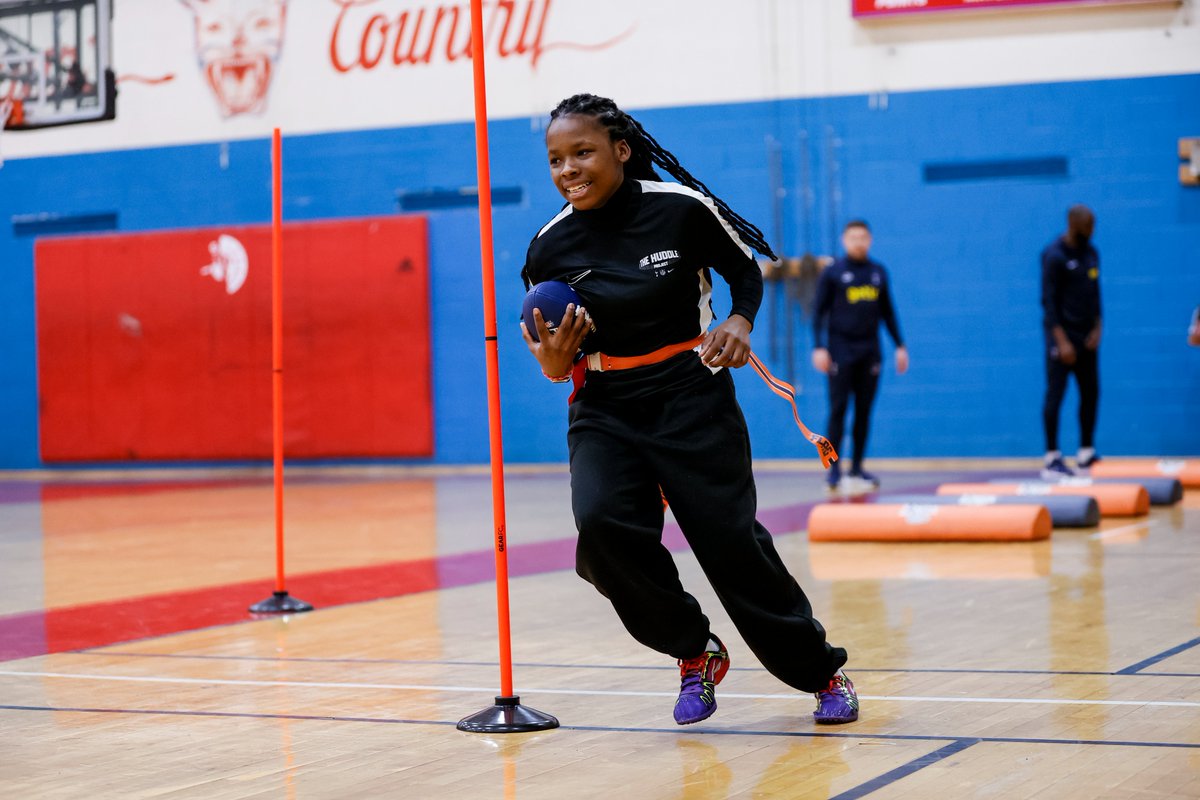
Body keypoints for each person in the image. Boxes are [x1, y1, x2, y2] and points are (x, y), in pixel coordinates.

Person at [519, 93, 858, 726]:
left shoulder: (682, 211)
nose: (569, 169)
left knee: (730, 545)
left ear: (621, 150)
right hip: (604, 406)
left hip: (689, 395)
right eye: (556, 160)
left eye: (583, 152)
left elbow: (746, 272)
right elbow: (551, 351)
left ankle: (820, 671)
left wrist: (738, 319)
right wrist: (551, 364)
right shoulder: (548, 246)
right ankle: (695, 652)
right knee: (602, 529)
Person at [811, 220, 908, 493]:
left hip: (870, 352)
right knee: (838, 411)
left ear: (870, 240)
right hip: (840, 351)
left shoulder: (878, 272)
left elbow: (888, 312)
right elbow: (818, 313)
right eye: (853, 237)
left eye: (863, 237)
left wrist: (900, 345)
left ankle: (856, 468)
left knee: (864, 412)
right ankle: (833, 470)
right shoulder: (833, 272)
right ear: (844, 240)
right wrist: (819, 347)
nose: (858, 242)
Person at [1040, 205, 1102, 480]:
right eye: (1087, 226)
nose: (1091, 231)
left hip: (1087, 338)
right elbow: (1048, 303)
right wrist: (1061, 341)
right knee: (1056, 395)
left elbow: (1096, 294)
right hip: (1062, 338)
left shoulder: (1091, 253)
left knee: (1090, 392)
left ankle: (1086, 451)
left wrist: (1099, 327)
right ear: (1072, 224)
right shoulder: (1054, 256)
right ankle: (1052, 456)